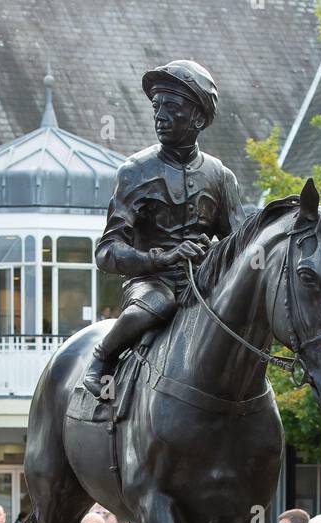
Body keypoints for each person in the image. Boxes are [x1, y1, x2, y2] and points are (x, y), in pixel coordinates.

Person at [82, 59, 242, 398]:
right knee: (158, 303)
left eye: (171, 107)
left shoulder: (221, 177)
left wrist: (214, 251)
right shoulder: (135, 171)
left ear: (198, 117)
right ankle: (101, 357)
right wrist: (164, 257)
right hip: (150, 284)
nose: (160, 115)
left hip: (203, 287)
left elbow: (240, 248)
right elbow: (107, 252)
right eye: (156, 106)